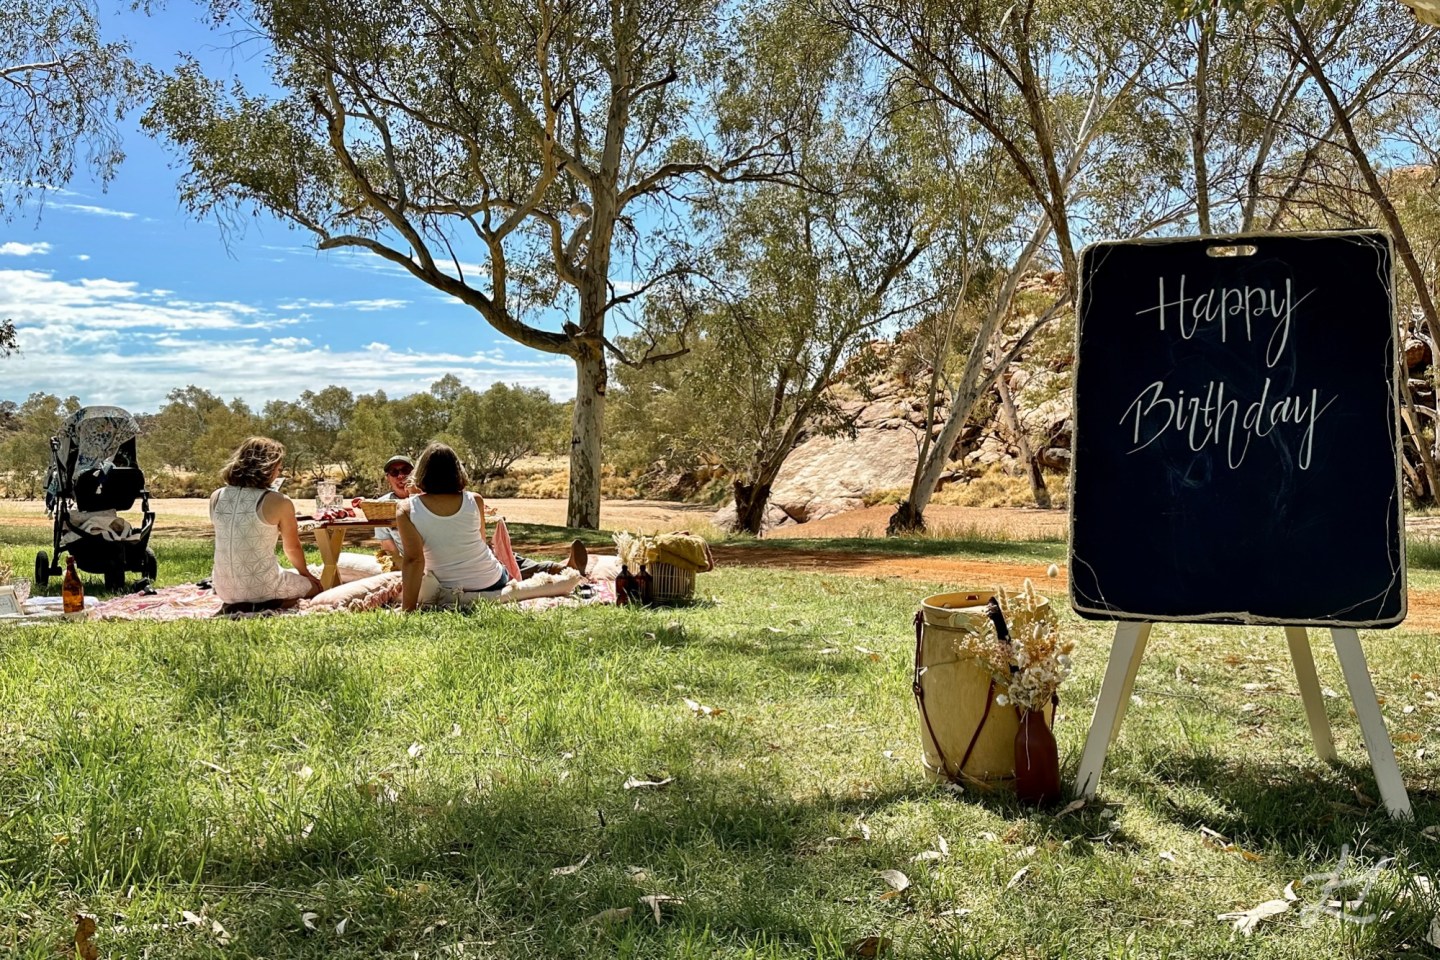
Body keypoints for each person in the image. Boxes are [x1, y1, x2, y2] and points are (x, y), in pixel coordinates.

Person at [375, 450, 587, 578]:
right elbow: (389, 550)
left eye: (406, 471)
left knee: (501, 556)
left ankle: (560, 569)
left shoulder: (431, 497)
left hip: (452, 551)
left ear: (417, 473)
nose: (401, 476)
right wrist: (409, 570)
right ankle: (559, 571)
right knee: (493, 559)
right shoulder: (380, 507)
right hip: (429, 561)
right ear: (388, 478)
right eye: (395, 472)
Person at [210, 437, 324, 610]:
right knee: (316, 587)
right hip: (261, 588)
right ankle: (271, 604)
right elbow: (292, 548)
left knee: (283, 574)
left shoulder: (216, 496)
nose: (278, 473)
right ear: (268, 468)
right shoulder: (279, 501)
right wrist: (306, 575)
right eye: (278, 469)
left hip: (223, 589)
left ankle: (244, 604)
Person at [398, 442, 509, 611]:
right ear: (457, 471)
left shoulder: (406, 509)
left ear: (421, 472)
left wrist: (407, 610)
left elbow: (414, 560)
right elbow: (480, 541)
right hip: (490, 582)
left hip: (444, 588)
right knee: (506, 564)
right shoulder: (475, 500)